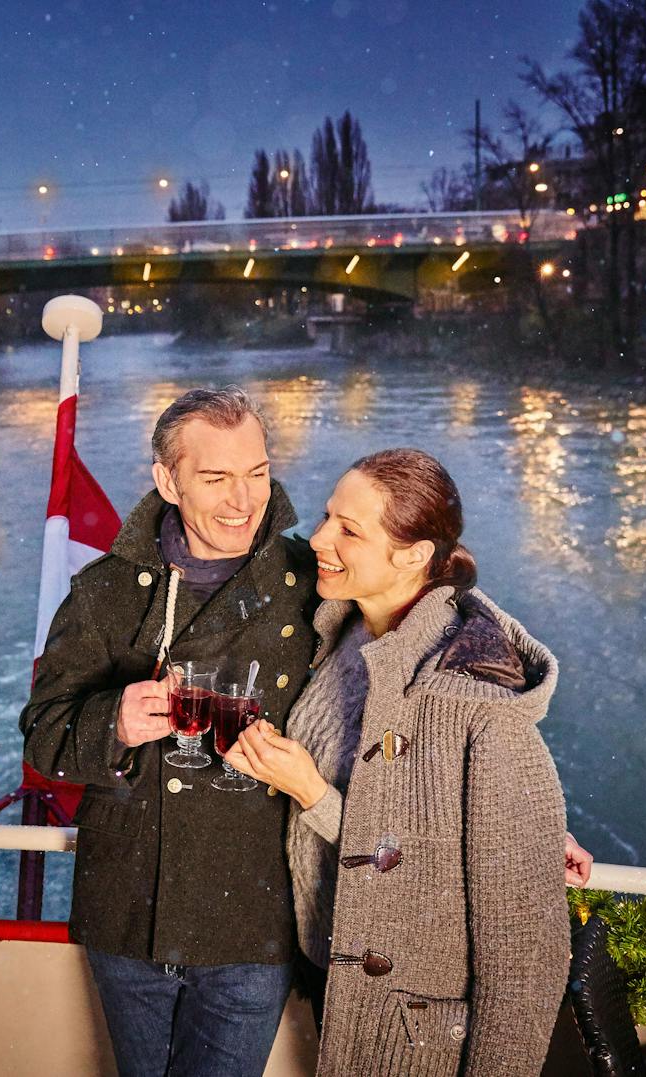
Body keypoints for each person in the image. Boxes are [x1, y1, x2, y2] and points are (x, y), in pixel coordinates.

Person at [225, 448, 570, 1076]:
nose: (320, 538)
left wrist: (311, 794)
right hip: (337, 972)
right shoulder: (353, 633)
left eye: (348, 530)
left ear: (414, 555)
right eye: (328, 516)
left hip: (415, 1029)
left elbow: (526, 960)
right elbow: (421, 814)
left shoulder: (478, 702)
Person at [21, 386, 319, 1077]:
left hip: (254, 914)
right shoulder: (104, 589)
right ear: (168, 480)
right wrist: (113, 722)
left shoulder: (311, 582)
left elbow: (411, 663)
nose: (243, 501)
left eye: (257, 472)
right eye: (215, 478)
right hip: (129, 909)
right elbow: (41, 734)